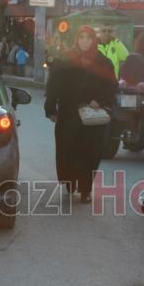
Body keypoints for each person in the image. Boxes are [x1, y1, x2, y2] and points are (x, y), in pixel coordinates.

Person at [45, 25, 117, 203]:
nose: (85, 41)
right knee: (68, 151)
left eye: (89, 38)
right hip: (69, 114)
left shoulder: (104, 62)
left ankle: (86, 190)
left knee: (91, 153)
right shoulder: (66, 59)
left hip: (93, 119)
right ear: (77, 39)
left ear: (94, 40)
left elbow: (112, 86)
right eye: (82, 37)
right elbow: (54, 85)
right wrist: (51, 109)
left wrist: (99, 100)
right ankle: (70, 182)